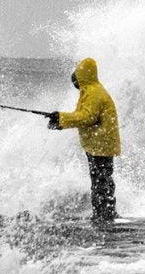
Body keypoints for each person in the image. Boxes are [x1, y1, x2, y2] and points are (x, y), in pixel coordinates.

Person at [46, 57, 121, 224]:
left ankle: (104, 216)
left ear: (83, 76)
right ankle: (106, 214)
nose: (73, 78)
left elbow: (87, 117)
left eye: (76, 75)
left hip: (101, 144)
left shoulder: (94, 93)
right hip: (101, 143)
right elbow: (83, 116)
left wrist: (61, 118)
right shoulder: (91, 91)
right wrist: (59, 120)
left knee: (100, 181)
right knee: (102, 180)